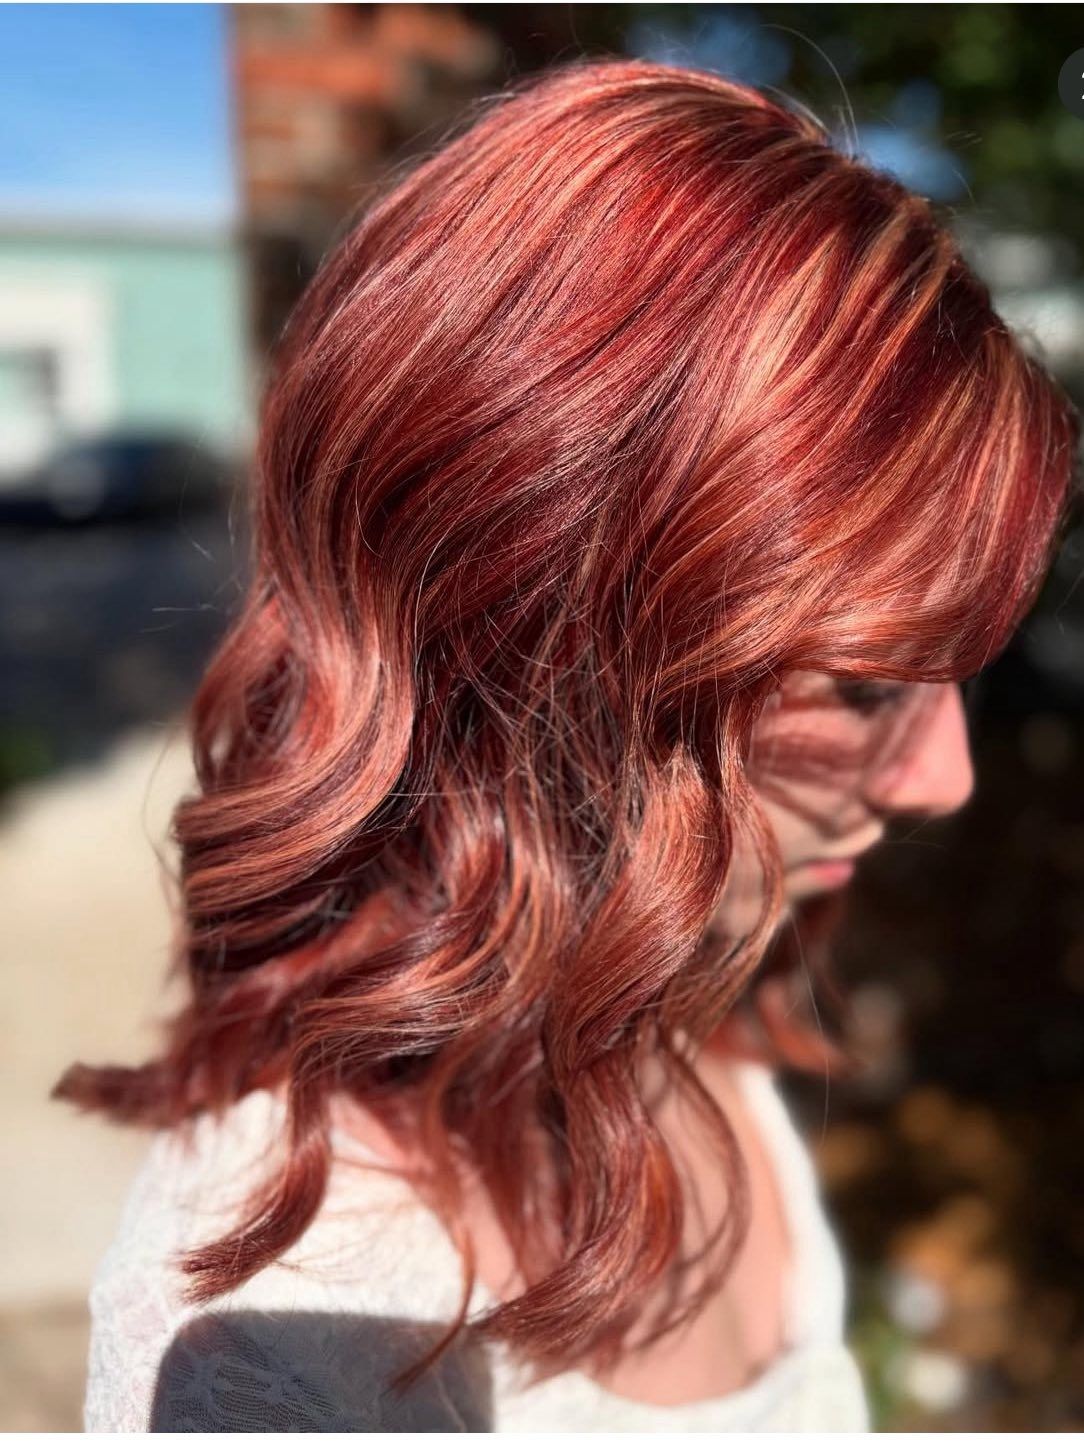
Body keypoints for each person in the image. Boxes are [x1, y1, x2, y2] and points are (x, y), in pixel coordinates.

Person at [54, 56, 1080, 1431]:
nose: (946, 779)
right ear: (540, 643)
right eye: (859, 685)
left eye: (954, 677)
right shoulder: (282, 1336)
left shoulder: (688, 1014)